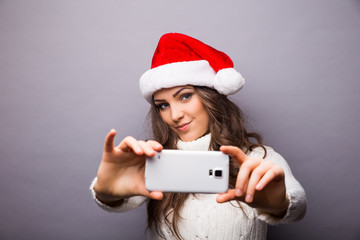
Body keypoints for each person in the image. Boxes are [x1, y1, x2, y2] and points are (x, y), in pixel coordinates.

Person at [90, 33, 307, 240]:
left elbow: (297, 207)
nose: (175, 115)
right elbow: (116, 199)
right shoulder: (153, 159)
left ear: (211, 97)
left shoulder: (258, 159)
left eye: (185, 96)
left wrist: (277, 202)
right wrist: (105, 191)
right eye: (163, 105)